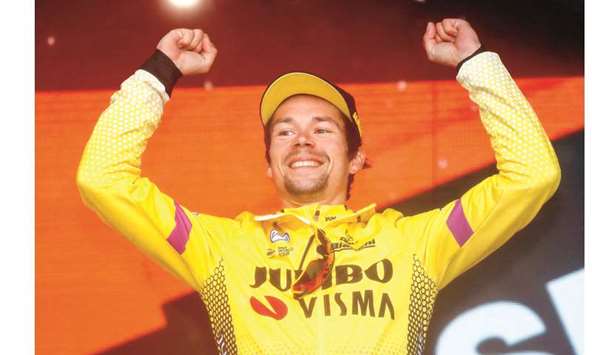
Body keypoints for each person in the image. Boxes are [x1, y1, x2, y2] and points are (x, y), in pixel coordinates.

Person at [76, 18, 560, 355]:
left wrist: (475, 64)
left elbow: (531, 173)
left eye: (323, 128)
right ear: (269, 164)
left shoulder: (414, 244)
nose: (301, 139)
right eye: (284, 131)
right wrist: (160, 72)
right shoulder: (221, 249)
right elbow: (103, 177)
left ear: (357, 158)